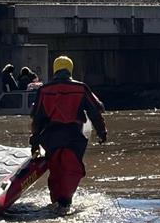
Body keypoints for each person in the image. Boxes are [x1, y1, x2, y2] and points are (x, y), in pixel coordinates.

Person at [30, 55, 107, 213]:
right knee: (72, 168)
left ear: (55, 70)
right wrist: (102, 132)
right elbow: (95, 111)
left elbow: (37, 118)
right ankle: (65, 202)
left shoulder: (44, 90)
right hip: (74, 136)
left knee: (56, 168)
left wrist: (34, 143)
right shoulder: (81, 88)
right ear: (70, 70)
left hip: (50, 137)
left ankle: (57, 203)